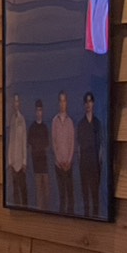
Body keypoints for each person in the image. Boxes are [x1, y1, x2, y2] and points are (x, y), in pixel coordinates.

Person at [77, 90, 104, 218]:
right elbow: (78, 147)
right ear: (84, 105)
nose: (88, 104)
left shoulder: (97, 124)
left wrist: (99, 164)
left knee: (95, 196)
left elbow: (101, 146)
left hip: (95, 166)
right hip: (84, 165)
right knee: (85, 197)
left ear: (93, 104)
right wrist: (80, 163)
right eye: (86, 102)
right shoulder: (81, 125)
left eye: (90, 101)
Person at [51, 90, 76, 215]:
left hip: (69, 164)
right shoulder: (54, 121)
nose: (62, 103)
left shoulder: (70, 122)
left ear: (67, 102)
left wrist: (69, 161)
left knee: (70, 193)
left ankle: (71, 216)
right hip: (58, 165)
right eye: (60, 101)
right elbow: (54, 142)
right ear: (58, 103)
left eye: (64, 101)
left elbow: (72, 143)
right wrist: (59, 161)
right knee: (61, 194)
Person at [27, 98, 51, 210]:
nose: (39, 112)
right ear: (35, 111)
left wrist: (40, 147)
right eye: (37, 110)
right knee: (39, 194)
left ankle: (47, 213)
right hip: (36, 166)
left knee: (47, 192)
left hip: (45, 165)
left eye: (40, 110)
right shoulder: (32, 128)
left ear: (42, 111)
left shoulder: (45, 127)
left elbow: (47, 144)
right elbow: (30, 144)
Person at [7, 94, 28, 206]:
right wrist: (9, 161)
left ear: (20, 103)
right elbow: (10, 141)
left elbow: (24, 141)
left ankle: (25, 208)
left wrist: (24, 161)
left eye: (17, 101)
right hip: (13, 162)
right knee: (15, 190)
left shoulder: (22, 120)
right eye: (14, 101)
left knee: (23, 188)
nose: (16, 104)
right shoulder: (11, 120)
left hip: (20, 162)